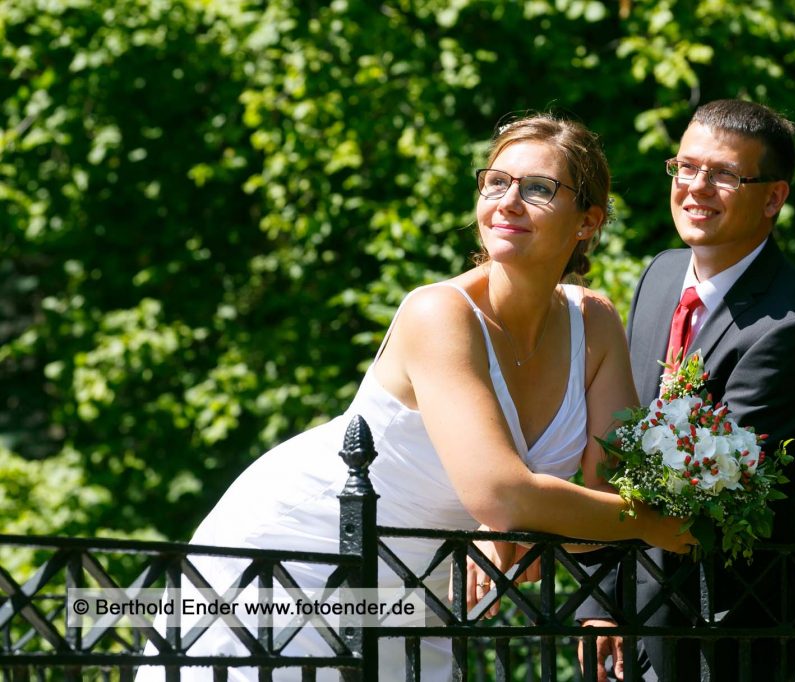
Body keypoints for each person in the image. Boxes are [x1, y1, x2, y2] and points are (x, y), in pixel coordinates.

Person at [137, 113, 695, 682]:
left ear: (587, 221)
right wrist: (643, 522)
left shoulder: (593, 322)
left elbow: (610, 487)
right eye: (495, 182)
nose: (507, 201)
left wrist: (533, 530)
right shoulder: (439, 314)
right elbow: (503, 492)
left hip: (414, 591)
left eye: (538, 188)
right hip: (297, 559)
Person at [577, 99, 795, 681]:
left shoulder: (789, 326)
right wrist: (601, 606)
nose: (696, 188)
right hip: (627, 617)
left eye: (723, 174)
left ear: (772, 198)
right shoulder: (661, 274)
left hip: (726, 630)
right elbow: (616, 446)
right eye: (685, 168)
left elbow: (714, 505)